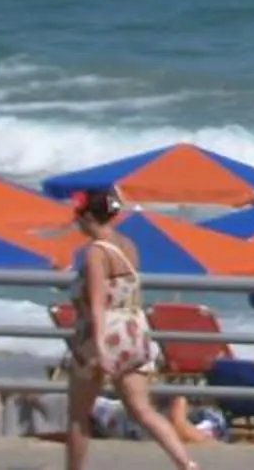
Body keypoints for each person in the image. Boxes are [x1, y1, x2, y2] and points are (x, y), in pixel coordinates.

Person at [59, 187, 198, 470]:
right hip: (132, 333)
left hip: (101, 336)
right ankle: (186, 463)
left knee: (78, 415)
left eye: (78, 216)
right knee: (143, 410)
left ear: (88, 217)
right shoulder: (128, 246)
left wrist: (99, 348)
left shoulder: (96, 253)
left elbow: (98, 304)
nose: (76, 221)